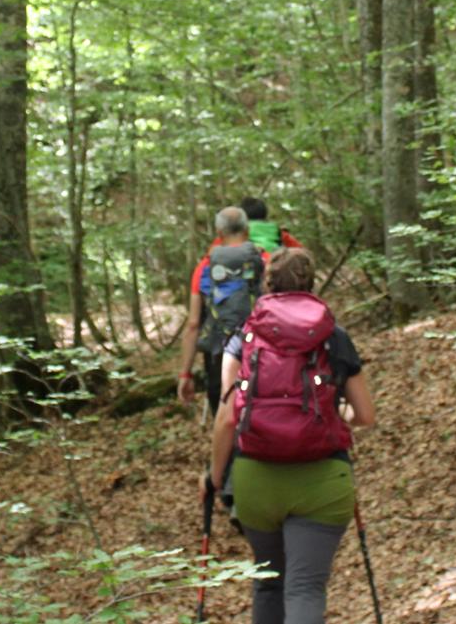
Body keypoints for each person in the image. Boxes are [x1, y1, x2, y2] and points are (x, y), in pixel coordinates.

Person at [209, 248, 374, 624]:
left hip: (255, 478)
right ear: (312, 283)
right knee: (305, 587)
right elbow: (364, 415)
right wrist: (336, 411)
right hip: (323, 478)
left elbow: (227, 419)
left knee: (269, 583)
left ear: (267, 284)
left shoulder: (244, 337)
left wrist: (215, 479)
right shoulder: (334, 337)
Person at [176, 207, 268, 419]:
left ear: (219, 233)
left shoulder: (204, 268)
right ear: (247, 230)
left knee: (226, 418)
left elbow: (193, 324)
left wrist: (185, 373)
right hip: (264, 352)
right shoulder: (266, 260)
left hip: (220, 357)